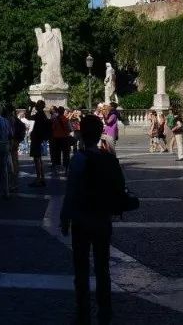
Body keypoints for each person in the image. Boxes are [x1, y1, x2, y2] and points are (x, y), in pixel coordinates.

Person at [60, 114, 127, 325]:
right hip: (102, 218)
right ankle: (105, 307)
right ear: (100, 133)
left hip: (81, 219)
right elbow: (120, 186)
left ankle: (82, 307)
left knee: (81, 266)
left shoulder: (78, 159)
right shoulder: (108, 158)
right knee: (102, 266)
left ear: (81, 134)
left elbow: (70, 192)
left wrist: (65, 217)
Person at [29, 101, 50, 187]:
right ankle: (42, 178)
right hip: (39, 138)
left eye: (37, 105)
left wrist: (30, 107)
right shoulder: (42, 114)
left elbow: (28, 117)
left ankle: (38, 179)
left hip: (36, 138)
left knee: (36, 159)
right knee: (39, 159)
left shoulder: (39, 114)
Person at [50, 106, 71, 173]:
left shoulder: (55, 119)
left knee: (57, 153)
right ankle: (66, 168)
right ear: (63, 111)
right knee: (65, 153)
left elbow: (53, 128)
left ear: (58, 111)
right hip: (65, 138)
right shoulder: (66, 119)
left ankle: (57, 166)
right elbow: (70, 129)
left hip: (56, 138)